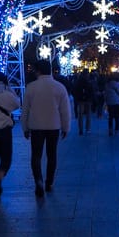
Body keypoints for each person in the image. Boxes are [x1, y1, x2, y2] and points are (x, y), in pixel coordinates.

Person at [20, 59, 70, 197]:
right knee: (51, 154)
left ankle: (38, 181)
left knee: (36, 155)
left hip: (36, 126)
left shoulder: (31, 87)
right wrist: (66, 127)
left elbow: (25, 110)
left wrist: (25, 127)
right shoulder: (59, 87)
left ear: (38, 70)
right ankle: (49, 181)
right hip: (54, 126)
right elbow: (65, 111)